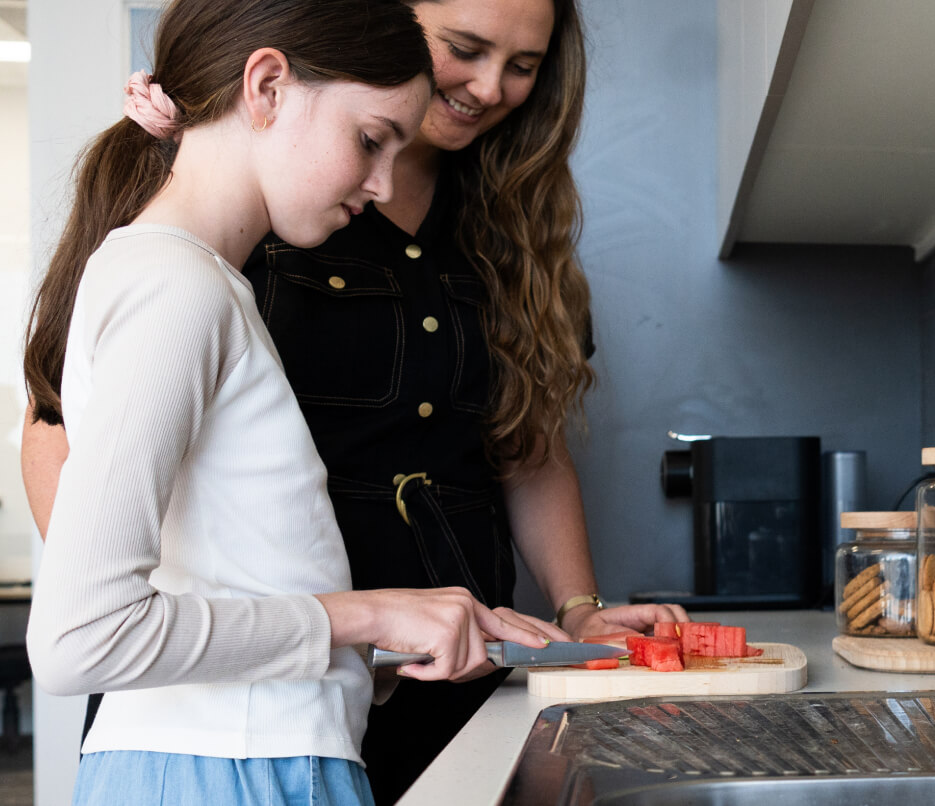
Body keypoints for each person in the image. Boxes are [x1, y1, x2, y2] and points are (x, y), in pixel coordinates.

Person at [23, 0, 688, 801]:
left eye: (523, 66)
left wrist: (453, 625)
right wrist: (332, 620)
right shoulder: (185, 276)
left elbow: (525, 447)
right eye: (465, 49)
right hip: (234, 734)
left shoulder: (217, 271)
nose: (489, 86)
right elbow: (90, 620)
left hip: (356, 694)